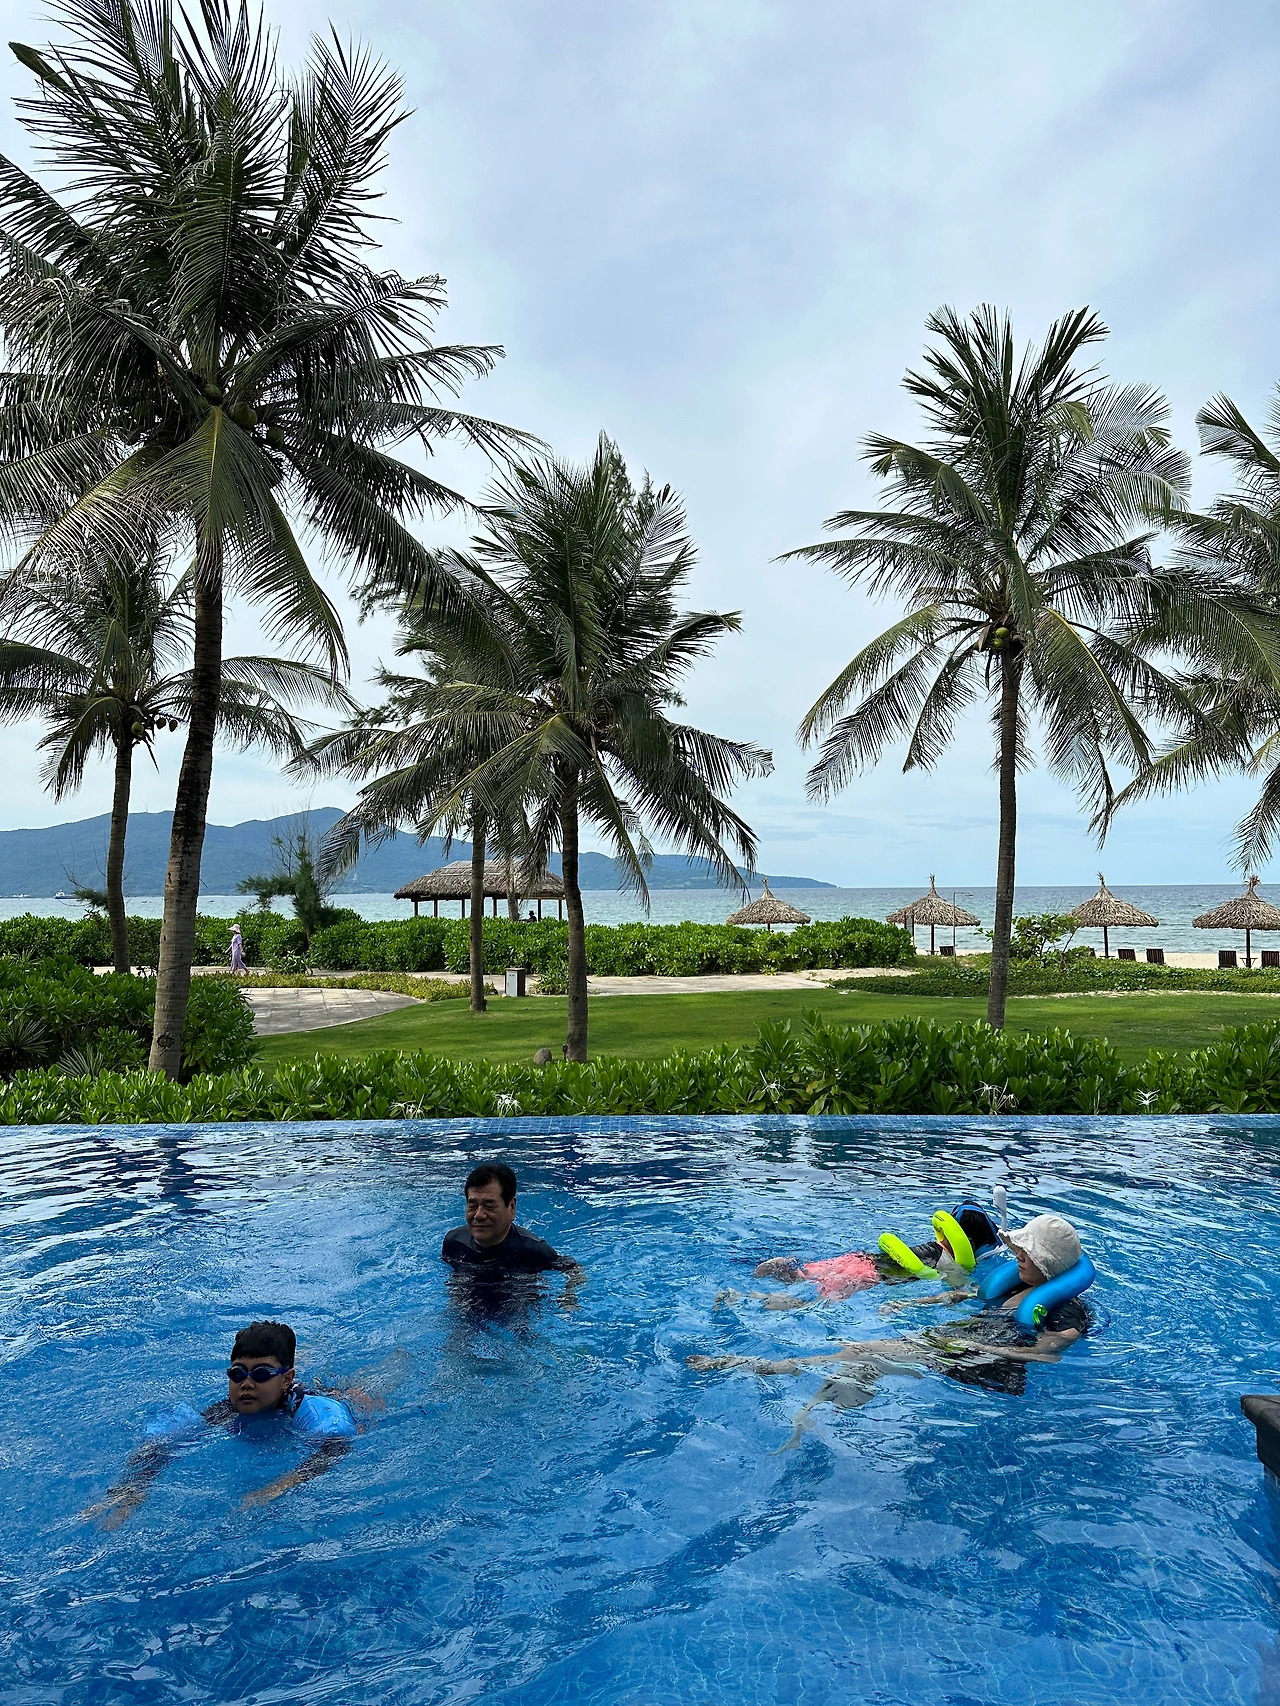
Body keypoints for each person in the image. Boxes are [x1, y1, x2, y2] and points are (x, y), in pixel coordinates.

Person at [690, 1213, 1094, 1429]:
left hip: (983, 1361)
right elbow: (963, 1295)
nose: (1018, 1255)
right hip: (959, 1340)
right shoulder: (1016, 1283)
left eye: (1027, 1252)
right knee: (865, 1359)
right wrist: (917, 1302)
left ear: (1050, 1264)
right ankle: (816, 1411)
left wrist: (978, 1347)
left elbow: (1049, 1353)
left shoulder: (1067, 1309)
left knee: (862, 1352)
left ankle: (760, 1369)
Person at [86, 1320, 360, 1528]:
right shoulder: (224, 1411)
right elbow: (160, 1446)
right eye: (237, 1373)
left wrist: (281, 1485)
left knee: (361, 1395)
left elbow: (335, 1446)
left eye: (261, 1374)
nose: (247, 1384)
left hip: (335, 1396)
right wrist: (131, 1487)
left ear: (286, 1379)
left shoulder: (309, 1409)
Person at [750, 1200, 1002, 1306]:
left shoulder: (930, 1246)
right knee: (816, 1302)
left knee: (802, 1276)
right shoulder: (953, 1264)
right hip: (870, 1277)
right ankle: (755, 1298)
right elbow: (958, 1291)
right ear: (969, 1243)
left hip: (861, 1259)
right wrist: (972, 1291)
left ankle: (781, 1270)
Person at [441, 1162, 586, 1306]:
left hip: (516, 1304)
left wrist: (569, 1296)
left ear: (511, 1207)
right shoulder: (454, 1242)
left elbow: (573, 1269)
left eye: (489, 1206)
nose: (478, 1215)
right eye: (472, 1205)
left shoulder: (532, 1250)